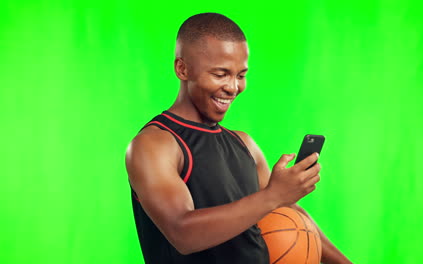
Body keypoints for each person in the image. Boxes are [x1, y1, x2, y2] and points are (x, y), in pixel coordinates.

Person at [126, 13, 352, 264]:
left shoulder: (244, 144)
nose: (233, 87)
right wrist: (273, 196)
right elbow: (182, 233)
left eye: (240, 75)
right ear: (182, 68)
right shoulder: (154, 144)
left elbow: (286, 212)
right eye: (221, 74)